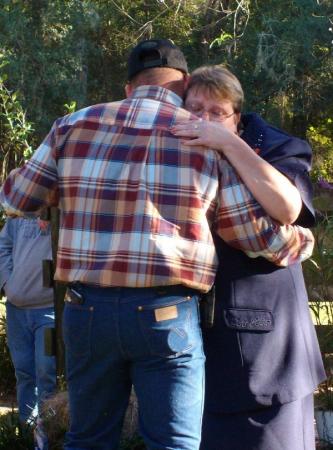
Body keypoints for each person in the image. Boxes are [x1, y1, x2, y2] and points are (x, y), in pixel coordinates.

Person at [0, 40, 314, 450]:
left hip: (85, 310)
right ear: (183, 84)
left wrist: (67, 190)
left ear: (129, 87)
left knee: (87, 439)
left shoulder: (71, 126)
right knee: (172, 444)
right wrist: (301, 240)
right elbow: (255, 235)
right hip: (165, 314)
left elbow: (16, 200)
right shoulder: (200, 137)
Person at [171, 65, 326, 450]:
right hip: (195, 341)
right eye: (195, 109)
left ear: (236, 118)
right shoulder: (172, 146)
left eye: (216, 112)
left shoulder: (278, 146)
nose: (203, 121)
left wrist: (227, 144)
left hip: (268, 352)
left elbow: (285, 212)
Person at [0, 216, 56, 432]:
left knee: (46, 371)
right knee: (23, 371)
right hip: (17, 310)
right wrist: (8, 283)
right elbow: (2, 247)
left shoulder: (61, 216)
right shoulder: (16, 220)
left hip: (49, 309)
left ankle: (49, 431)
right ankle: (26, 431)